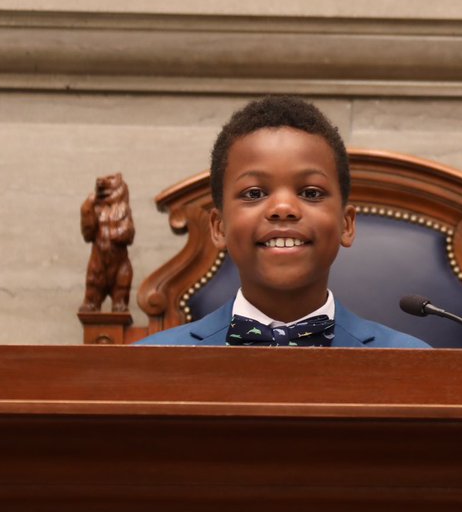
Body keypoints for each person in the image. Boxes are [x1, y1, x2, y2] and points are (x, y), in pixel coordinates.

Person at [140, 96, 428, 349]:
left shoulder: (415, 363)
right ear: (218, 227)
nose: (283, 208)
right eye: (254, 193)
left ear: (346, 224)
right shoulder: (147, 362)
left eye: (310, 193)